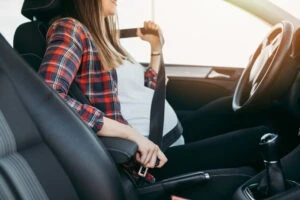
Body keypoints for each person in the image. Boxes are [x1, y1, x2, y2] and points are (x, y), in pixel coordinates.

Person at [39, 0, 269, 180]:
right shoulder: (69, 29)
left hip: (170, 133)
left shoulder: (102, 39)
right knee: (265, 136)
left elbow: (145, 91)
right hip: (155, 158)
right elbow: (48, 97)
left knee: (251, 111)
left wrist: (156, 49)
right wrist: (130, 135)